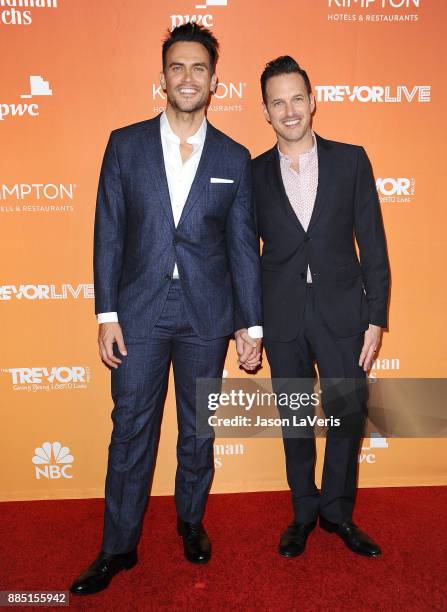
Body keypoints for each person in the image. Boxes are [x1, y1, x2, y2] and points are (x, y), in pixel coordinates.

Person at [70, 23, 262, 596]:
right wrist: (107, 315)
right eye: (177, 67)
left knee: (198, 429)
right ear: (162, 78)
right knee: (131, 429)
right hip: (138, 313)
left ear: (213, 83)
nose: (187, 77)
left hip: (208, 314)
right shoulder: (124, 144)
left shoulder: (234, 155)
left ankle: (190, 521)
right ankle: (117, 547)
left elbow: (242, 247)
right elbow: (107, 234)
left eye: (199, 68)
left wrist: (250, 325)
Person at [249, 56, 389, 559]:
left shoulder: (352, 160)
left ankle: (338, 513)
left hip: (344, 312)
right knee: (294, 419)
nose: (289, 110)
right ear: (266, 111)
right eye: (277, 101)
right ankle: (303, 512)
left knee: (347, 417)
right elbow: (245, 253)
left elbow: (373, 242)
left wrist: (376, 317)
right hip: (282, 313)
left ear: (314, 101)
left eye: (297, 98)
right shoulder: (253, 173)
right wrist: (249, 324)